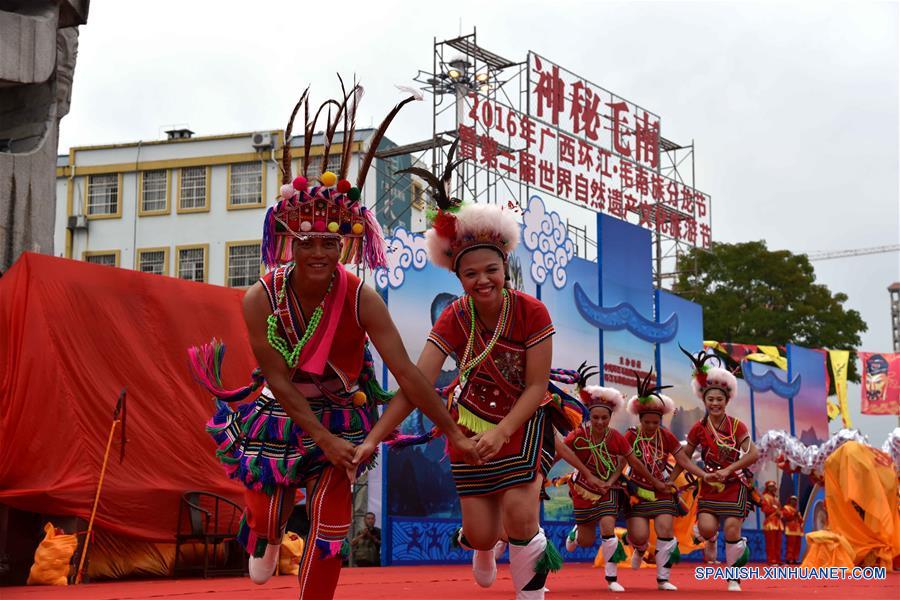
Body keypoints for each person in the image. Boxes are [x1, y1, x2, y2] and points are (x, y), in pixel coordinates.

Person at [188, 83, 478, 599]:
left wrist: (447, 431)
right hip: (283, 408)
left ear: (345, 242)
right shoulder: (259, 298)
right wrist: (325, 440)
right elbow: (276, 377)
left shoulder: (361, 296)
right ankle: (265, 535)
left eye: (330, 241)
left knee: (331, 529)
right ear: (289, 242)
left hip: (345, 408)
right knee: (266, 509)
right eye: (308, 242)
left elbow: (408, 375)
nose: (320, 251)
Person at [355, 153, 561, 600]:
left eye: (491, 270)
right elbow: (415, 382)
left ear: (505, 267)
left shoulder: (531, 312)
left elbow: (537, 387)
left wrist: (505, 429)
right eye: (471, 274)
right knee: (486, 533)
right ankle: (481, 546)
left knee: (522, 520)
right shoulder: (453, 317)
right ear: (458, 275)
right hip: (467, 426)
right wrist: (375, 437)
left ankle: (532, 594)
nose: (482, 280)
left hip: (520, 424)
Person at [561, 369, 668, 593]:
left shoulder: (616, 437)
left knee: (608, 526)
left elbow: (634, 462)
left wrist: (655, 481)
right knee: (586, 541)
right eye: (596, 417)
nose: (600, 422)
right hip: (583, 489)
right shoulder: (578, 435)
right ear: (589, 416)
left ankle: (611, 578)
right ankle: (576, 533)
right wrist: (540, 472)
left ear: (610, 418)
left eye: (604, 418)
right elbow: (559, 452)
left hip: (609, 488)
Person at [673, 347, 760, 592]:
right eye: (710, 399)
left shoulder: (737, 426)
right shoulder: (698, 429)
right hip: (710, 484)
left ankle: (734, 578)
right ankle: (705, 533)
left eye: (719, 399)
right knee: (710, 528)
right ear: (704, 401)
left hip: (734, 484)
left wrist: (729, 469)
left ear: (726, 401)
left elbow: (753, 453)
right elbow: (684, 458)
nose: (714, 403)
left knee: (732, 528)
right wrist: (676, 479)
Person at [623, 370, 710, 591]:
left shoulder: (666, 436)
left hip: (662, 490)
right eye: (648, 422)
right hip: (637, 491)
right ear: (640, 419)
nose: (652, 426)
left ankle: (663, 578)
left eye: (656, 422)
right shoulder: (631, 436)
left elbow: (684, 460)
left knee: (666, 531)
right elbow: (629, 463)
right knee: (639, 535)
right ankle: (640, 548)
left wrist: (705, 475)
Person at [760, 481, 783, 565]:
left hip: (778, 523)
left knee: (778, 543)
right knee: (771, 543)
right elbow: (764, 509)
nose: (773, 488)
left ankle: (777, 560)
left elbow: (780, 510)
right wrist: (775, 511)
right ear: (767, 488)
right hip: (770, 523)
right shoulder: (765, 497)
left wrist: (780, 513)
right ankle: (771, 560)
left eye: (774, 486)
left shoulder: (776, 499)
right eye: (771, 486)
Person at [782, 495, 803, 564]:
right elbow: (786, 517)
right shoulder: (786, 508)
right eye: (792, 500)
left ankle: (795, 559)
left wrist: (798, 515)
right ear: (790, 500)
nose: (794, 501)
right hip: (790, 528)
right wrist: (794, 514)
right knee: (790, 545)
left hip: (798, 529)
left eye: (795, 500)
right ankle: (789, 559)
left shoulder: (797, 510)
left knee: (797, 545)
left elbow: (801, 520)